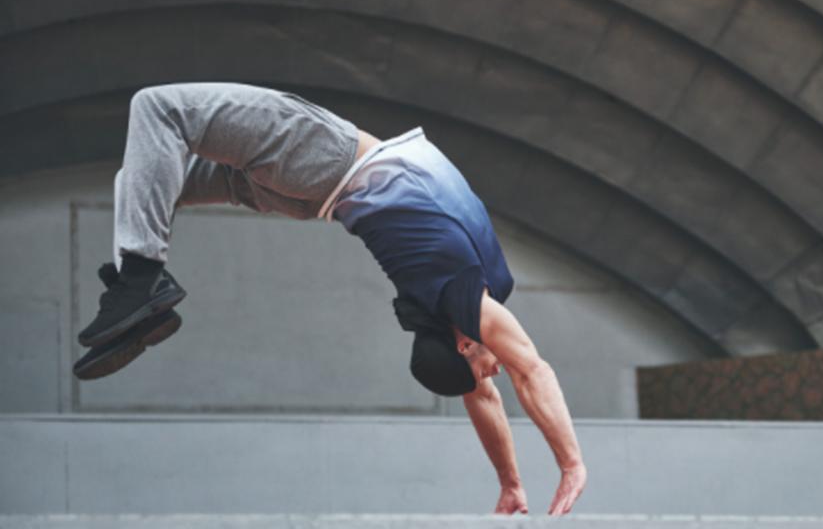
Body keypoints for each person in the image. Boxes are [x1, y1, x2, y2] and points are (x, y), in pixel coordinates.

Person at [73, 83, 587, 515]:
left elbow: (530, 373)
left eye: (482, 367)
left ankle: (141, 281)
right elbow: (486, 395)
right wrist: (512, 484)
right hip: (312, 197)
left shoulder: (459, 299)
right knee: (140, 179)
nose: (493, 373)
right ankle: (134, 290)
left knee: (157, 108)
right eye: (486, 370)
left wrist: (570, 464)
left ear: (462, 344)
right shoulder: (467, 306)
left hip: (322, 159)